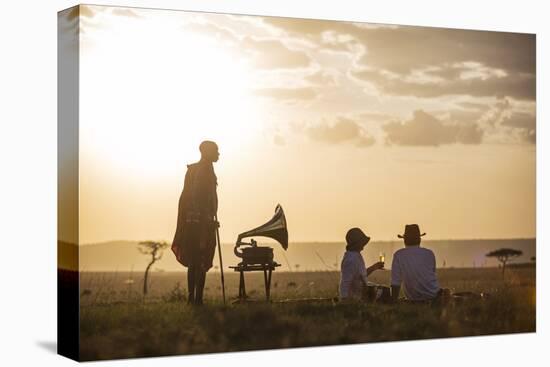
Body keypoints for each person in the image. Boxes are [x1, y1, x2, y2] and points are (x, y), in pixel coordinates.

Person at [172, 141, 220, 305]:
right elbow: (197, 199)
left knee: (195, 260)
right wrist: (208, 221)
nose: (218, 154)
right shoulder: (203, 171)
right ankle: (196, 299)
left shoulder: (194, 170)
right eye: (216, 150)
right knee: (199, 259)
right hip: (200, 224)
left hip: (192, 222)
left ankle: (193, 298)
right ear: (206, 152)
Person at [391, 224, 440, 302]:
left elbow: (395, 283)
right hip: (434, 297)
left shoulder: (399, 255)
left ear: (405, 240)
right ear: (419, 239)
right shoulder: (429, 253)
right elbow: (432, 275)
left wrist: (393, 301)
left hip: (414, 300)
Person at [339, 227, 384, 301]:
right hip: (355, 299)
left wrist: (374, 267)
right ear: (356, 243)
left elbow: (360, 275)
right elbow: (345, 282)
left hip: (361, 297)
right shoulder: (351, 259)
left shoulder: (356, 255)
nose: (363, 247)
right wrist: (345, 300)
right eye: (361, 243)